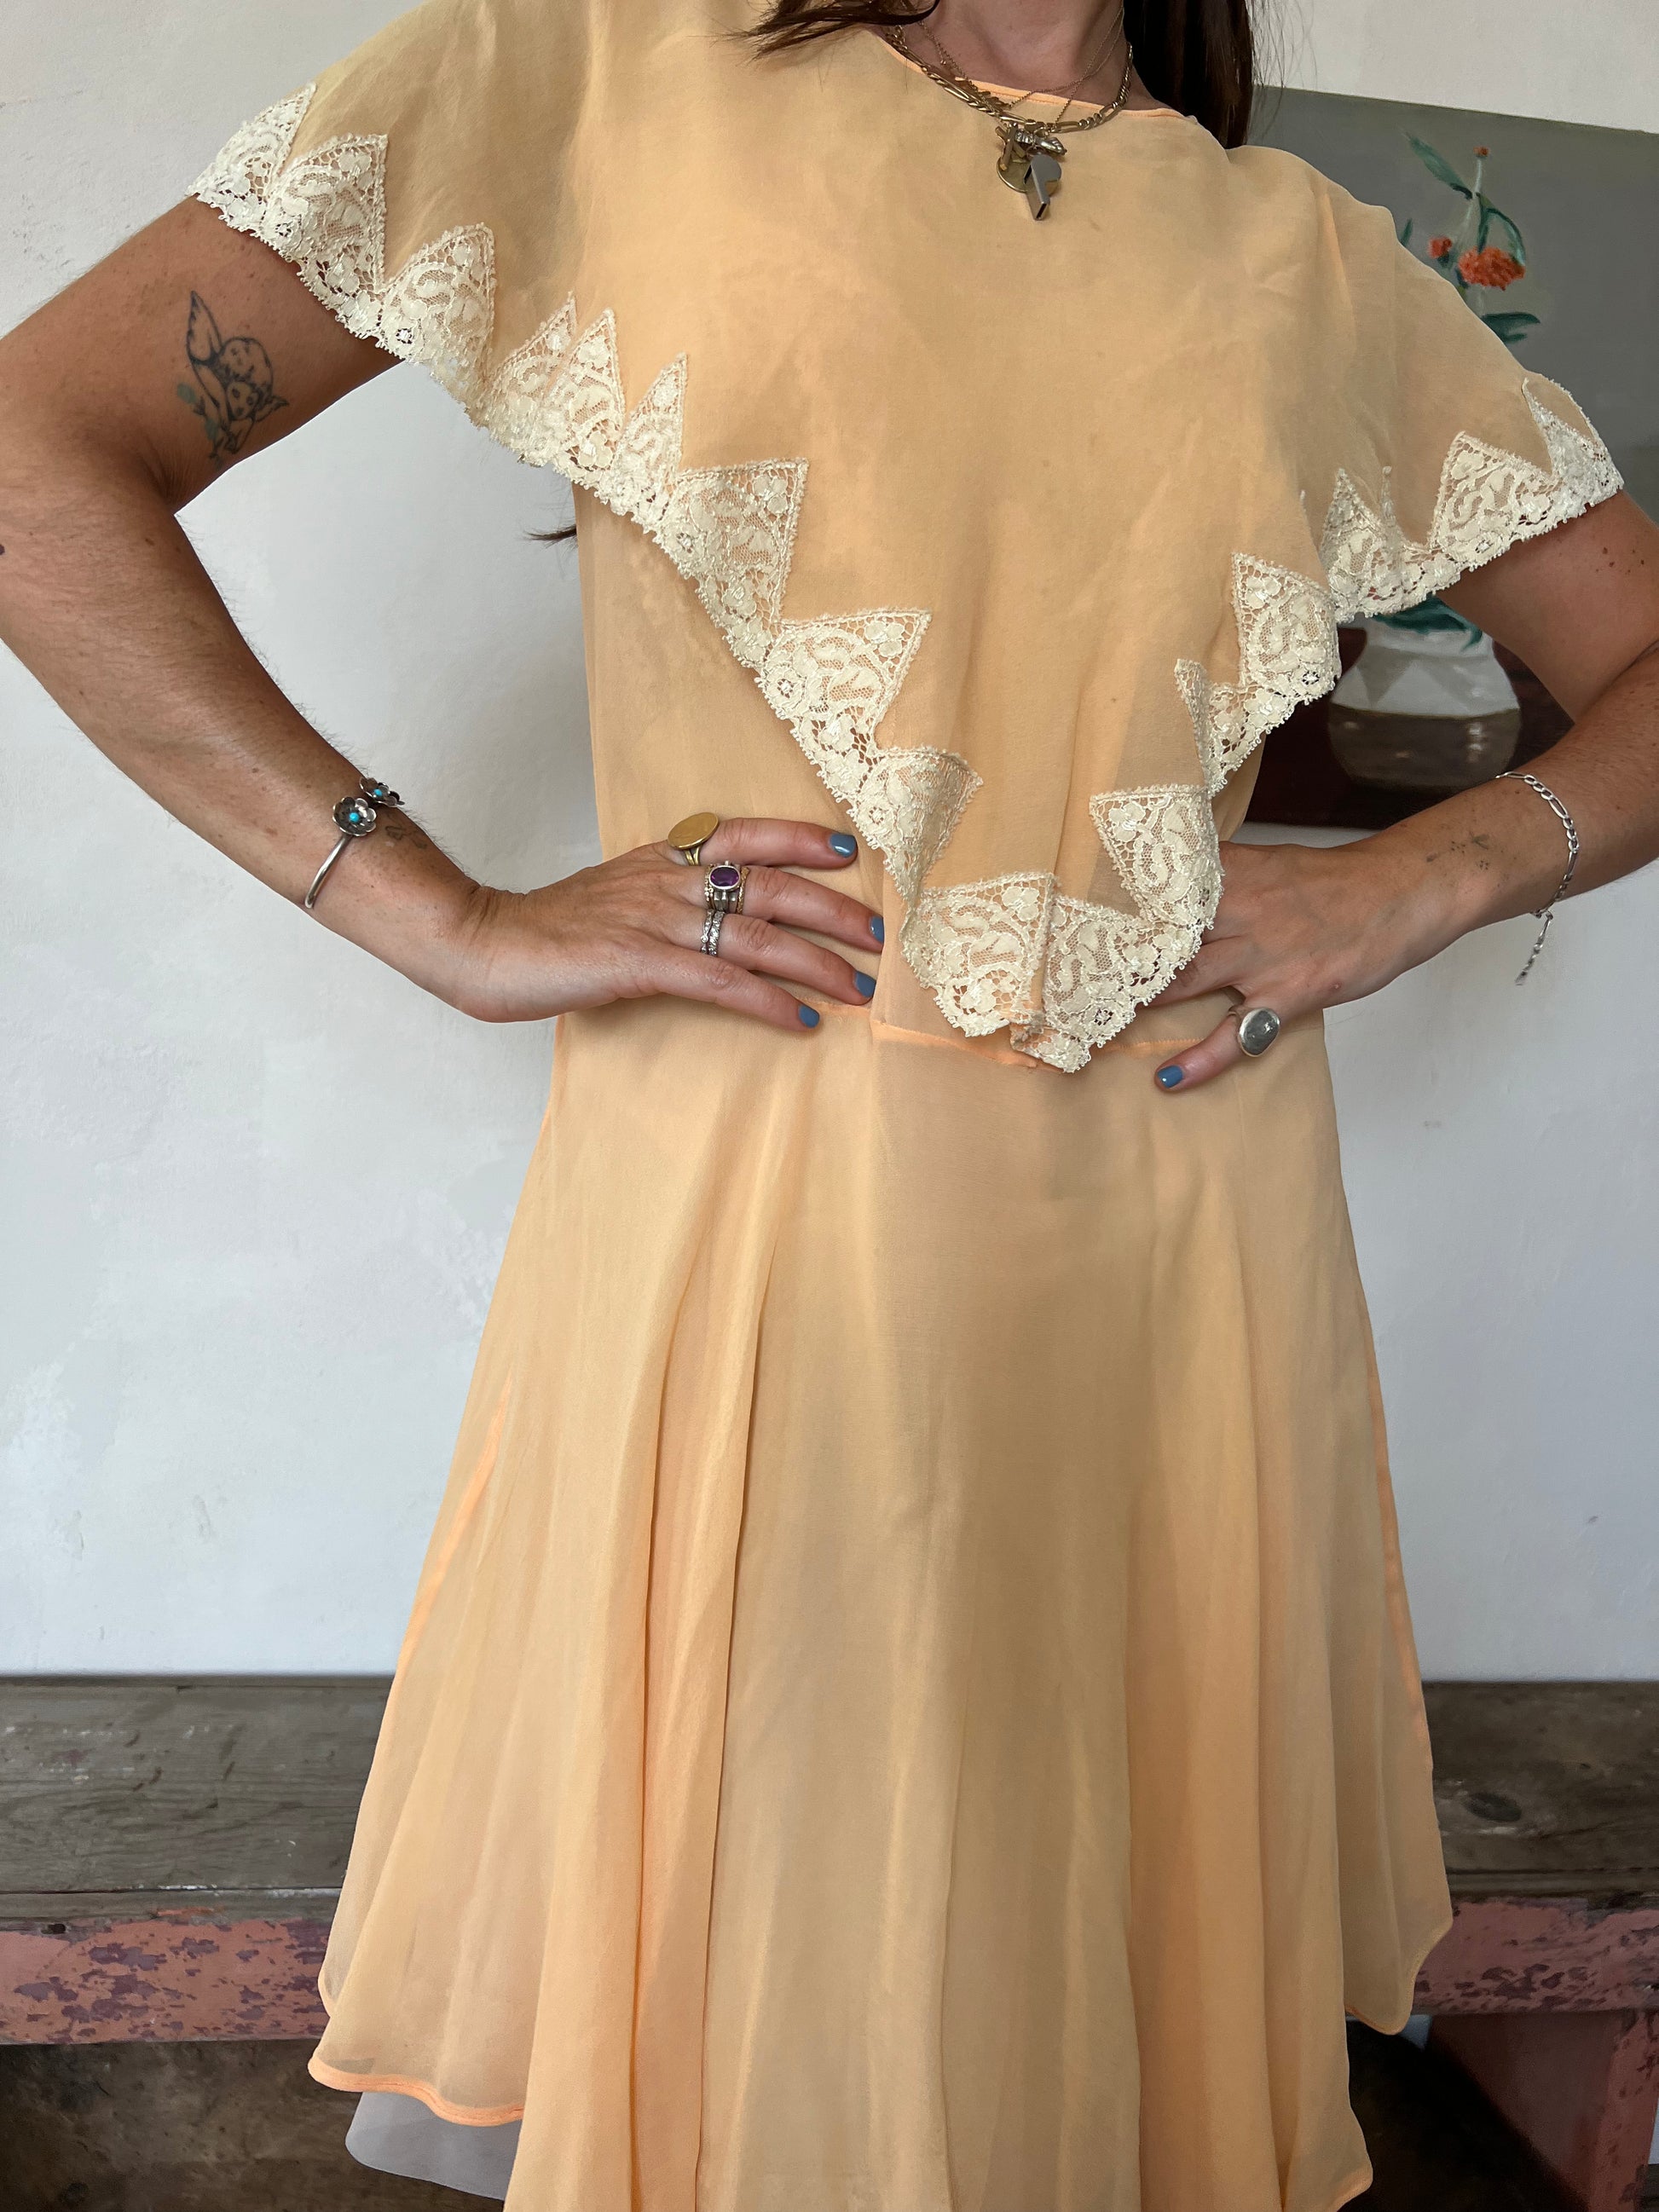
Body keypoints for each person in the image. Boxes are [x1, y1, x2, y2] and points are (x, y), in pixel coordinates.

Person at [3, 0, 1656, 2204]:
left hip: (1186, 1257)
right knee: (766, 1991)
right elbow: (39, 445)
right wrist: (435, 915)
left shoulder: (1312, 260)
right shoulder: (594, 79)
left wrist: (1415, 880)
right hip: (771, 1215)